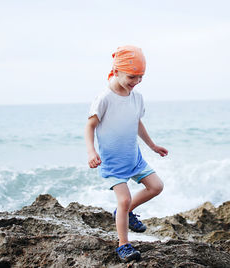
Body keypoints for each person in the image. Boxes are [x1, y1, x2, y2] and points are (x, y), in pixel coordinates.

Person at [85, 45, 168, 263]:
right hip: (112, 163)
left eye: (141, 77)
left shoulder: (136, 98)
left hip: (134, 158)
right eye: (132, 76)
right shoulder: (104, 98)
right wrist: (91, 151)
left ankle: (125, 213)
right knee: (124, 200)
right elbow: (89, 126)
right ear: (117, 71)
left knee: (156, 187)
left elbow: (137, 123)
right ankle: (123, 245)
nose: (136, 81)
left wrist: (152, 145)